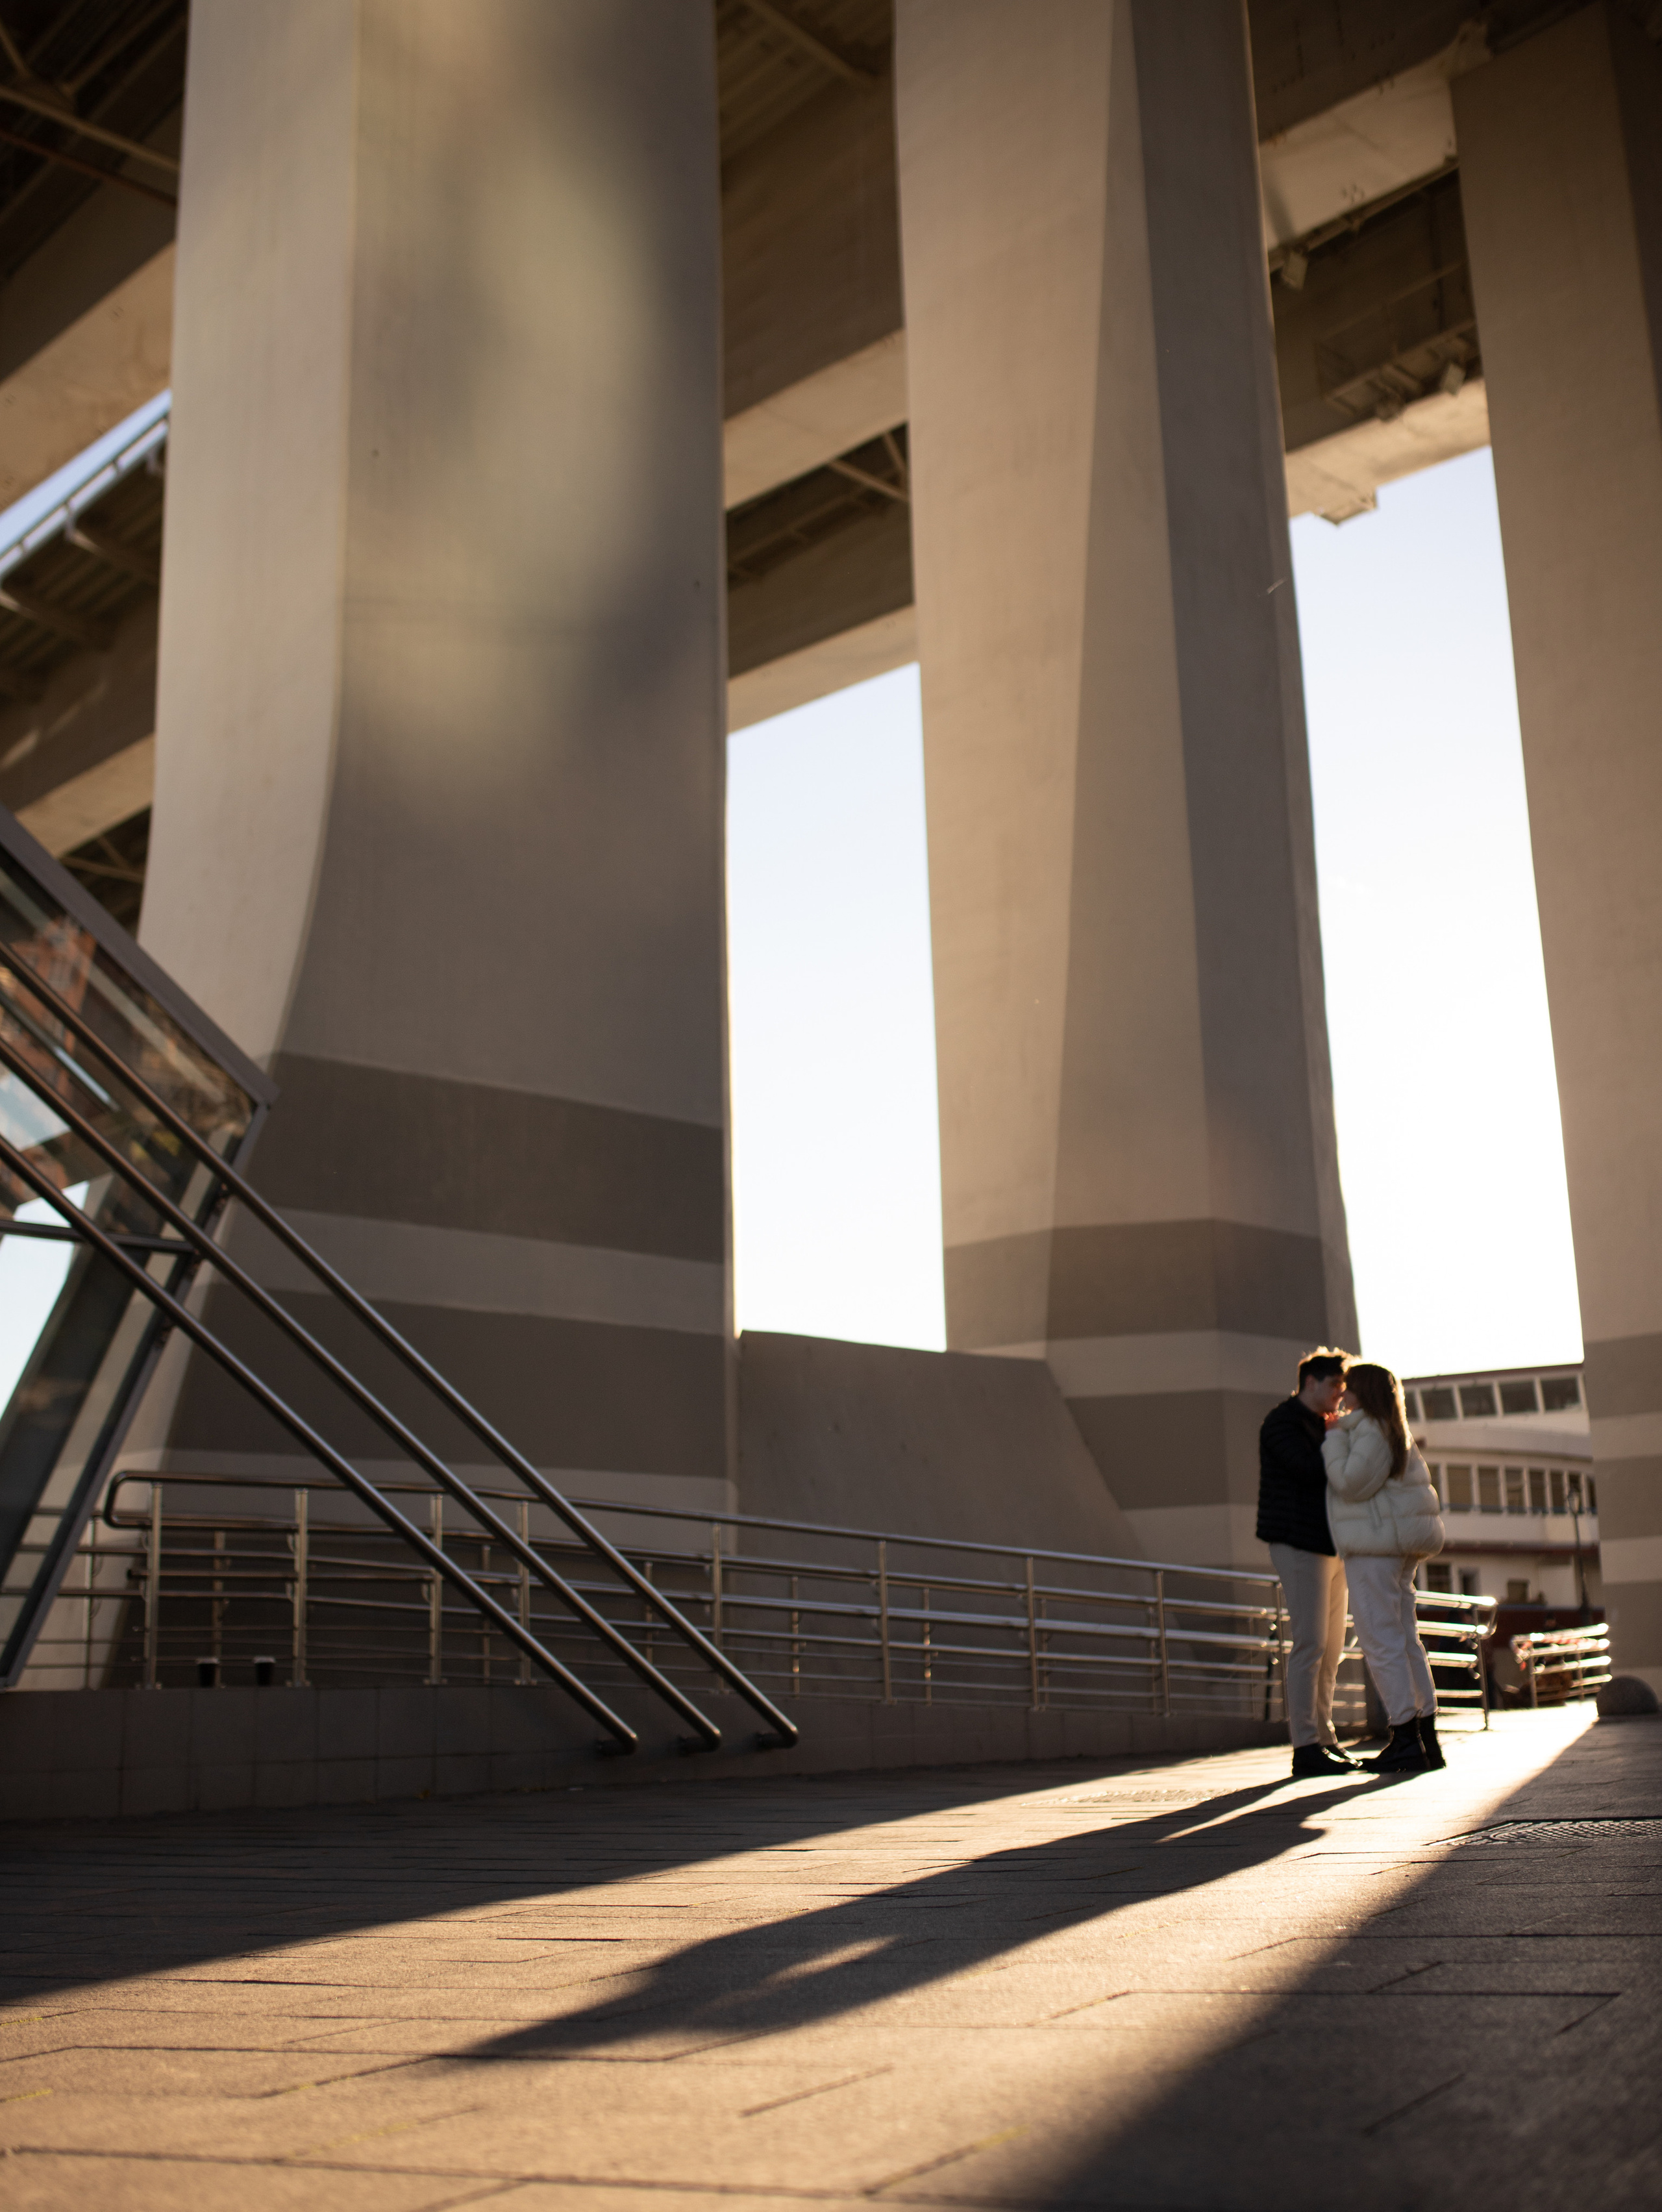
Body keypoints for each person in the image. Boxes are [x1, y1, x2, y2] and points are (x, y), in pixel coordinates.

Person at [1323, 1361, 1447, 1773]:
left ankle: (1405, 1737)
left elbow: (1350, 1482)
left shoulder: (1368, 1431)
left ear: (1363, 1392)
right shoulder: (1392, 1429)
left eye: (1349, 1388)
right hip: (1393, 1548)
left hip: (1376, 1549)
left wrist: (1333, 1438)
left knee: (1382, 1641)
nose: (1342, 1395)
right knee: (1405, 1641)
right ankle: (1426, 1739)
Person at [1258, 1347, 1359, 1776]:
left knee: (1332, 1647)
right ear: (1312, 1381)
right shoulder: (1282, 1421)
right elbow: (1310, 1470)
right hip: (1299, 1541)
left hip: (1332, 1544)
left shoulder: (1324, 1424)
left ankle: (1325, 1735)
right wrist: (1338, 1439)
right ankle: (1305, 1745)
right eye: (1336, 1384)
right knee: (1311, 1643)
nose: (1341, 1392)